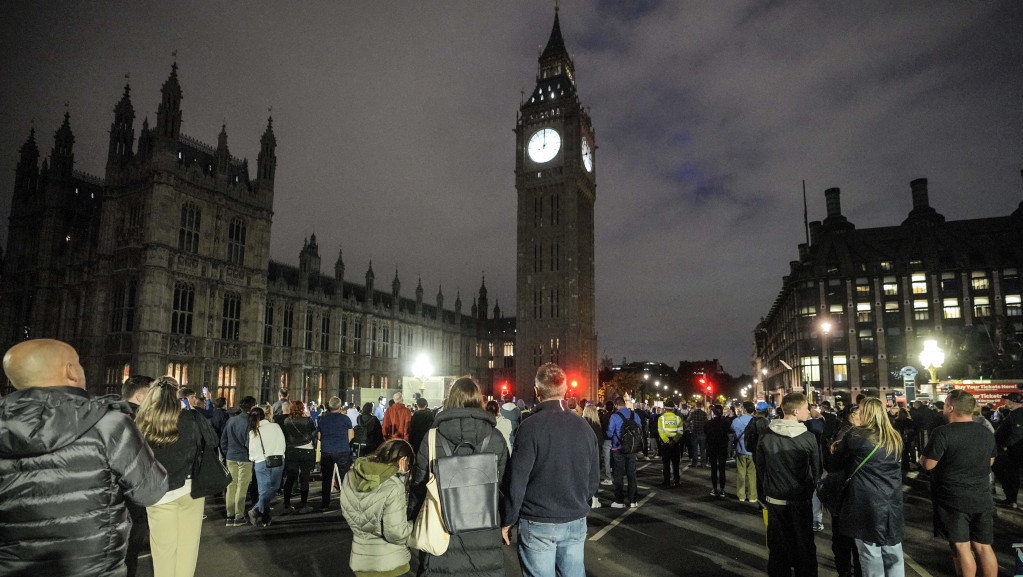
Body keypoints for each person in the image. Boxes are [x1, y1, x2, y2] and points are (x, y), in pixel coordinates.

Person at [0, 339, 168, 577]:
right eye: (78, 363)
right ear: (70, 370)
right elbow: (150, 491)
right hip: (94, 567)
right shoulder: (108, 424)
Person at [502, 363, 599, 577]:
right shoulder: (584, 427)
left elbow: (517, 480)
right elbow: (593, 479)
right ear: (565, 390)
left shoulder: (529, 427)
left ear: (537, 392)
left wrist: (508, 519)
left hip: (538, 520)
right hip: (574, 518)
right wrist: (578, 501)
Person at [410, 377, 508, 577]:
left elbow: (419, 486)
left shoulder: (432, 437)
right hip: (484, 531)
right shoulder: (495, 437)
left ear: (450, 400)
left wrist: (412, 517)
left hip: (442, 529)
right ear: (479, 400)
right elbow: (503, 485)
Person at [136, 376, 218, 577]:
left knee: (164, 553)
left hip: (158, 493)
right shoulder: (190, 418)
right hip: (189, 490)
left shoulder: (141, 421)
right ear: (177, 396)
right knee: (187, 551)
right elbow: (213, 441)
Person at [920, 390, 998, 577]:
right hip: (982, 495)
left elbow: (929, 464)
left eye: (946, 404)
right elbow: (990, 461)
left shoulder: (942, 433)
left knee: (961, 547)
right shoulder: (985, 431)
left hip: (952, 498)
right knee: (983, 547)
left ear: (950, 407)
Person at [832, 398, 905, 577]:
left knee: (870, 554)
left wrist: (836, 447)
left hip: (865, 501)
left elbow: (836, 462)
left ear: (866, 413)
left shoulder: (856, 436)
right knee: (892, 551)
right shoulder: (894, 436)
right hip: (891, 500)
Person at [755, 392, 821, 577]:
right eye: (807, 408)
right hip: (800, 500)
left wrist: (762, 495)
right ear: (795, 411)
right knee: (805, 549)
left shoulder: (766, 436)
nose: (809, 411)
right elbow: (816, 470)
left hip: (775, 500)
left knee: (778, 550)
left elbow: (760, 469)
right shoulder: (808, 437)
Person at [339, 440, 415, 577]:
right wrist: (413, 525)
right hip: (390, 563)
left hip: (360, 561)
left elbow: (351, 515)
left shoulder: (350, 477)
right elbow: (395, 533)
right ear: (403, 460)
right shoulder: (393, 486)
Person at [121, 374, 155, 577]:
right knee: (129, 551)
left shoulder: (109, 415)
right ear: (141, 397)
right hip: (132, 496)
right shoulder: (137, 420)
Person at [829, 403, 863, 577]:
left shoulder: (856, 433)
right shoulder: (848, 434)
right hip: (847, 493)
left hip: (848, 494)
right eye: (860, 412)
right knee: (847, 539)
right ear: (852, 415)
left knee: (846, 540)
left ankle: (848, 571)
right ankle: (847, 571)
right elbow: (835, 464)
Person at [221, 395, 257, 526]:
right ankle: (239, 516)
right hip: (244, 458)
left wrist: (227, 453)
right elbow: (250, 443)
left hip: (231, 456)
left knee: (231, 486)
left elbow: (223, 440)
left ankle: (230, 515)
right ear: (252, 407)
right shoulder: (250, 421)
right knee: (242, 487)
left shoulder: (231, 420)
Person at [247, 406, 286, 527]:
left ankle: (258, 512)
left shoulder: (253, 431)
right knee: (274, 488)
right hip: (278, 460)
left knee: (264, 492)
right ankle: (264, 516)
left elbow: (251, 453)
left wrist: (255, 458)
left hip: (261, 462)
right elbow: (282, 442)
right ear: (264, 415)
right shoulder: (275, 426)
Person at [318, 395, 355, 511]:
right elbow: (351, 435)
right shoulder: (345, 419)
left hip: (327, 450)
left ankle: (325, 503)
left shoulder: (322, 419)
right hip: (342, 450)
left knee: (327, 478)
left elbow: (319, 436)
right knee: (345, 477)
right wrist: (344, 442)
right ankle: (346, 502)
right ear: (340, 406)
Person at [281, 400, 317, 515]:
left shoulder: (287, 421)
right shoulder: (307, 420)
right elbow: (313, 432)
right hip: (306, 450)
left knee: (291, 477)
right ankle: (304, 504)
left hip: (292, 450)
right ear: (302, 409)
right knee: (305, 477)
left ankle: (287, 504)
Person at [607, 395, 642, 508]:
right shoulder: (634, 415)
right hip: (632, 448)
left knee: (619, 474)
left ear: (616, 405)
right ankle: (633, 500)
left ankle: (619, 501)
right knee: (632, 474)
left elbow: (610, 433)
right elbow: (640, 429)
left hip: (618, 448)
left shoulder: (614, 416)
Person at [993, 391, 1023, 510]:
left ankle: (1011, 500)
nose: (1005, 402)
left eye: (1007, 400)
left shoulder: (1018, 414)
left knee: (1009, 476)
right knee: (1011, 475)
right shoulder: (1016, 413)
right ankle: (1011, 500)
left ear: (1012, 402)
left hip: (1011, 452)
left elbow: (1018, 433)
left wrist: (1006, 445)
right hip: (1011, 451)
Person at [732, 401, 756, 503]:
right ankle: (752, 496)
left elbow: (732, 431)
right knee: (752, 474)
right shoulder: (756, 421)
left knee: (741, 473)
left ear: (745, 409)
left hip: (741, 449)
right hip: (753, 451)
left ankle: (741, 495)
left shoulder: (736, 421)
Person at [657, 399, 684, 488]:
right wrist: (674, 441)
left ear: (665, 408)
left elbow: (661, 431)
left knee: (666, 464)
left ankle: (667, 482)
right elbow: (680, 432)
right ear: (673, 409)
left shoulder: (661, 418)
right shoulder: (677, 418)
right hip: (675, 444)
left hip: (665, 444)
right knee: (676, 464)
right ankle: (677, 481)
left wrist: (667, 441)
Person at [582, 404, 605, 508]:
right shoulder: (597, 425)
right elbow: (600, 442)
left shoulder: (581, 423)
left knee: (583, 477)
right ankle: (595, 500)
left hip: (582, 454)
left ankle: (583, 499)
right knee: (594, 477)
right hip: (595, 454)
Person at [705, 404, 729, 497]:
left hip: (712, 447)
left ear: (713, 412)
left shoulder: (708, 423)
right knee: (722, 469)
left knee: (713, 469)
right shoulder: (726, 422)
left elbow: (706, 432)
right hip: (722, 447)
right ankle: (722, 489)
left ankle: (714, 489)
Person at [686, 401, 708, 467]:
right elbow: (706, 423)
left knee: (694, 449)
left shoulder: (693, 413)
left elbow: (687, 420)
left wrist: (690, 428)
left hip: (695, 432)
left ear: (695, 406)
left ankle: (694, 463)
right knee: (702, 450)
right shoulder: (704, 414)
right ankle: (703, 463)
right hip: (702, 433)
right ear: (701, 406)